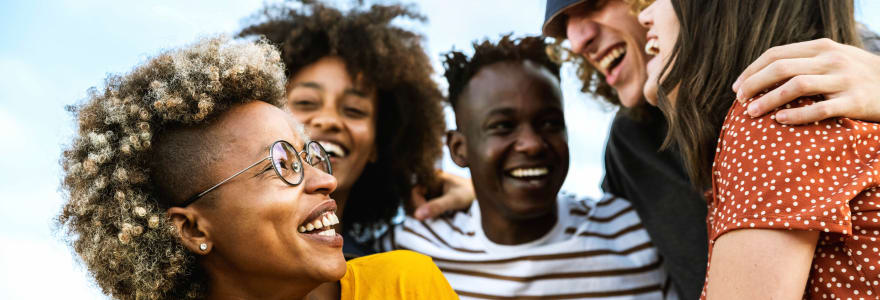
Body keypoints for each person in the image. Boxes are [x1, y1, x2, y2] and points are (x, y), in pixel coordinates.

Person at [531, 0, 880, 298]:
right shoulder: (631, 144)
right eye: (565, 26)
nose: (576, 38)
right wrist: (494, 197)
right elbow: (600, 233)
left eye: (595, 3)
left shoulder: (809, 81)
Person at [56, 36, 456, 299]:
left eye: (309, 155)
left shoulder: (404, 285)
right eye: (281, 164)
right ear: (194, 228)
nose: (326, 179)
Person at [379, 35, 669, 299]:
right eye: (503, 127)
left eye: (549, 124)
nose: (532, 144)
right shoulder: (410, 249)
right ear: (459, 149)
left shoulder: (632, 236)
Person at [237, 1, 471, 258]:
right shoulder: (223, 254)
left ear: (377, 144)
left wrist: (475, 197)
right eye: (306, 103)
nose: (329, 120)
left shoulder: (392, 263)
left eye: (354, 110)